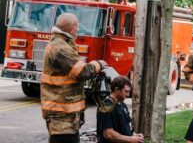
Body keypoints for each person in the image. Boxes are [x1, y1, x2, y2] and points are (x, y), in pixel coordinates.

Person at [41, 13, 105, 143]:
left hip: (64, 114)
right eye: (77, 27)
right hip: (62, 117)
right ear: (71, 29)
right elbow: (82, 72)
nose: (78, 30)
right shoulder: (61, 48)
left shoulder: (60, 44)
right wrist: (98, 64)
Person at [97, 76, 144, 143]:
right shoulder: (106, 106)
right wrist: (130, 139)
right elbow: (108, 134)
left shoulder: (122, 104)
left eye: (129, 92)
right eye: (126, 91)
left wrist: (136, 136)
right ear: (116, 89)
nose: (128, 95)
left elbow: (124, 129)